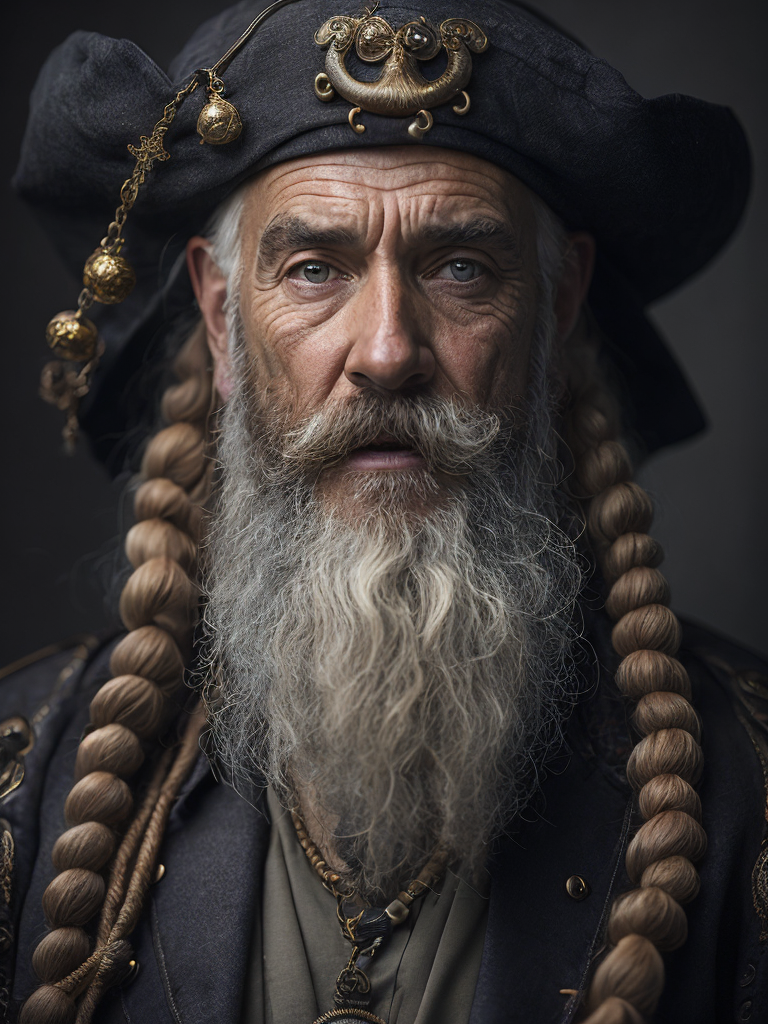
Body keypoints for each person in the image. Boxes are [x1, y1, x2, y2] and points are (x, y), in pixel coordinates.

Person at [3, 1, 767, 1022]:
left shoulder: (749, 797)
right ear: (224, 320)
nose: (388, 350)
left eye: (461, 267)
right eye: (315, 268)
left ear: (560, 303)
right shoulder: (25, 779)